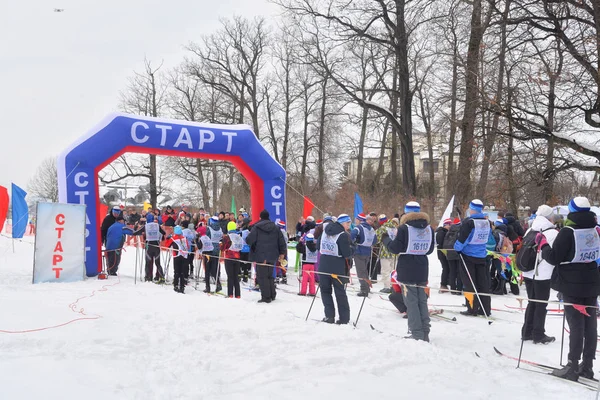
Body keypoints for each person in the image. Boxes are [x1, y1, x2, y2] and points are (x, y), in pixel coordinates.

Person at [539, 197, 600, 381]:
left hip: (571, 284)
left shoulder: (568, 231)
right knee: (590, 324)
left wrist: (543, 245)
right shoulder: (596, 229)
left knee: (576, 325)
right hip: (592, 282)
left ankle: (572, 365)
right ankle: (587, 365)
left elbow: (554, 257)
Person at [382, 201, 434, 341]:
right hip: (422, 267)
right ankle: (425, 331)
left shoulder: (405, 228)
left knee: (411, 302)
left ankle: (416, 333)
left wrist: (386, 240)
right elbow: (429, 249)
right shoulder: (429, 228)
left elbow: (395, 248)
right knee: (421, 301)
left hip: (407, 267)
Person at [521, 205, 557, 345]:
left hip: (528, 271)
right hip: (542, 273)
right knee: (541, 304)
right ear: (549, 218)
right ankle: (538, 334)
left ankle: (526, 331)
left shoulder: (531, 229)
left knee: (532, 302)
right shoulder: (553, 233)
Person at [454, 199, 493, 317]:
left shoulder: (469, 222)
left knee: (469, 283)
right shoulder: (487, 222)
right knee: (483, 283)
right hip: (481, 255)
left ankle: (472, 308)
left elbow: (462, 239)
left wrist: (457, 248)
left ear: (472, 209)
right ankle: (485, 308)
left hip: (468, 256)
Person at [318, 214, 353, 324]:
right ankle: (344, 318)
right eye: (348, 223)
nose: (349, 226)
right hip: (337, 266)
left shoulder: (324, 231)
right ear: (342, 223)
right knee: (340, 292)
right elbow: (347, 253)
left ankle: (329, 316)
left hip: (323, 264)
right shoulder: (342, 235)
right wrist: (353, 248)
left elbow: (318, 246)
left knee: (325, 291)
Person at [246, 210, 287, 303]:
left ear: (260, 217)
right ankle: (272, 294)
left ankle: (266, 297)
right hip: (273, 255)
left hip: (260, 254)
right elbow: (281, 241)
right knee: (269, 275)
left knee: (262, 276)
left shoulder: (256, 227)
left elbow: (249, 240)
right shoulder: (276, 228)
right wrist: (282, 253)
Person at [351, 213, 377, 297]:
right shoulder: (371, 229)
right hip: (368, 251)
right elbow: (375, 240)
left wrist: (354, 242)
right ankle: (367, 287)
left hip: (359, 251)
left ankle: (364, 289)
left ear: (359, 220)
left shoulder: (358, 228)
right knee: (365, 271)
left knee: (360, 272)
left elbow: (352, 235)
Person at [376, 216, 399, 293]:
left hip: (385, 252)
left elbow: (377, 239)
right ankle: (393, 286)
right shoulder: (396, 229)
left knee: (385, 270)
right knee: (393, 270)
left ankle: (387, 286)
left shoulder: (382, 228)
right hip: (394, 253)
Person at [164, 225, 190, 293]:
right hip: (184, 256)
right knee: (182, 272)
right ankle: (182, 286)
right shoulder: (184, 238)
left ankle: (175, 285)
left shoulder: (173, 238)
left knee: (176, 271)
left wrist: (167, 238)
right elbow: (188, 246)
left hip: (177, 256)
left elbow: (167, 246)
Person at [222, 221, 242, 298]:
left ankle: (230, 294)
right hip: (237, 258)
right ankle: (238, 294)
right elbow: (241, 247)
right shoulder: (238, 236)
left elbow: (223, 248)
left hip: (229, 257)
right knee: (236, 277)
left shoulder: (227, 237)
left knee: (230, 276)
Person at [205, 216, 224, 293]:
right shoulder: (220, 228)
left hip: (209, 249)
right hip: (217, 249)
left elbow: (206, 237)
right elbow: (221, 238)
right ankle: (218, 284)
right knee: (215, 268)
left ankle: (208, 287)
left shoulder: (209, 228)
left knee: (207, 269)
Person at [436, 218, 452, 293]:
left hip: (446, 253)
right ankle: (443, 284)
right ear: (446, 225)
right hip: (442, 253)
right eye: (449, 225)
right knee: (445, 268)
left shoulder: (445, 232)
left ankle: (447, 282)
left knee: (448, 268)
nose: (450, 226)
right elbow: (441, 244)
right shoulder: (441, 232)